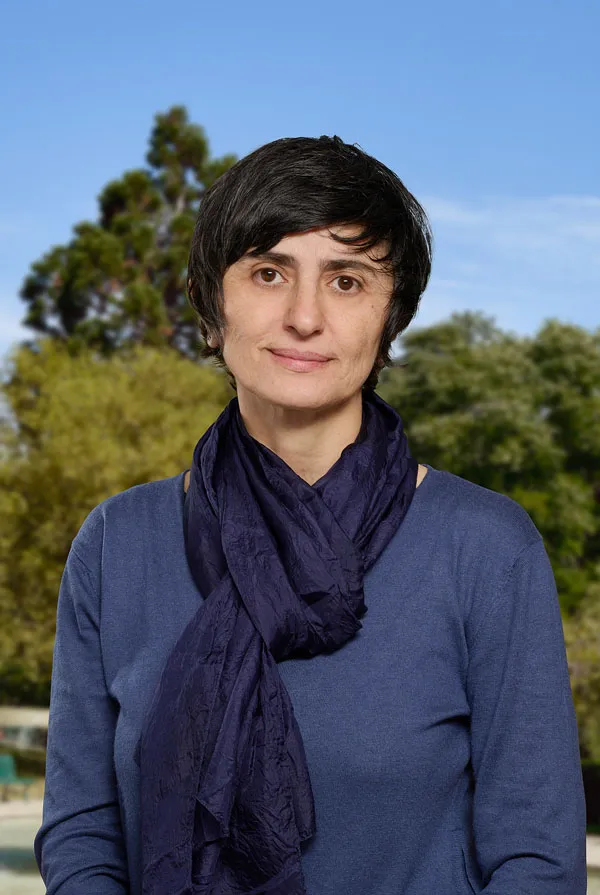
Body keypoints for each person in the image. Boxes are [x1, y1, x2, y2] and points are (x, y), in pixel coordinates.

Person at [34, 135, 587, 894]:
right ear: (211, 304)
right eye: (269, 272)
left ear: (389, 319)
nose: (304, 316)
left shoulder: (485, 547)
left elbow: (537, 858)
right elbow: (83, 833)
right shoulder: (117, 543)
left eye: (347, 280)